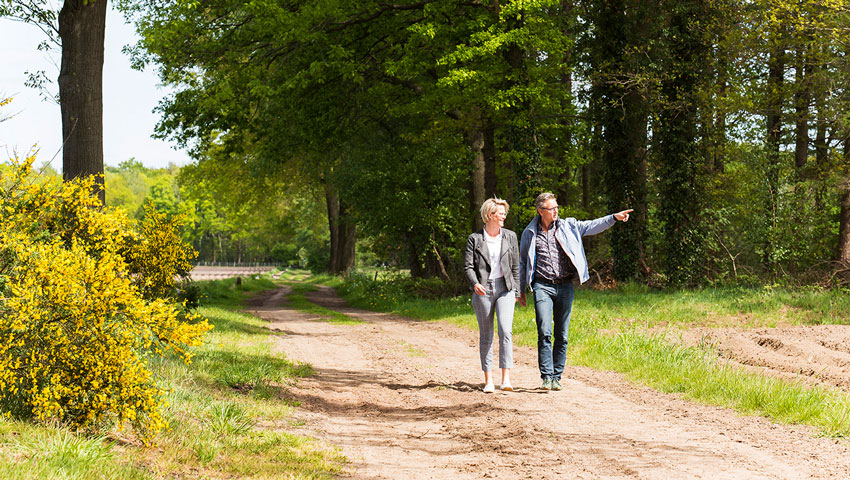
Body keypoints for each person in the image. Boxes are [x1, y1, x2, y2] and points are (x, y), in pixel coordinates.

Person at [518, 192, 632, 391]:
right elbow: (522, 263)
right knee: (544, 331)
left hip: (565, 285)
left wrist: (614, 217)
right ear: (540, 211)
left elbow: (592, 225)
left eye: (556, 207)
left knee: (562, 334)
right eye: (551, 208)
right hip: (542, 285)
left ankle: (556, 376)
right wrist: (521, 290)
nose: (555, 211)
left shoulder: (568, 226)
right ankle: (546, 376)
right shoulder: (529, 233)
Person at [464, 197, 521, 393]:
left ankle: (506, 379)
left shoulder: (510, 236)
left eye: (505, 213)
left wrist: (517, 291)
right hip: (483, 289)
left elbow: (515, 266)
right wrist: (475, 284)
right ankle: (488, 380)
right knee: (486, 335)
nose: (504, 216)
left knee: (506, 330)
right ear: (490, 215)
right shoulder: (475, 239)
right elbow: (468, 267)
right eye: (501, 213)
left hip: (506, 288)